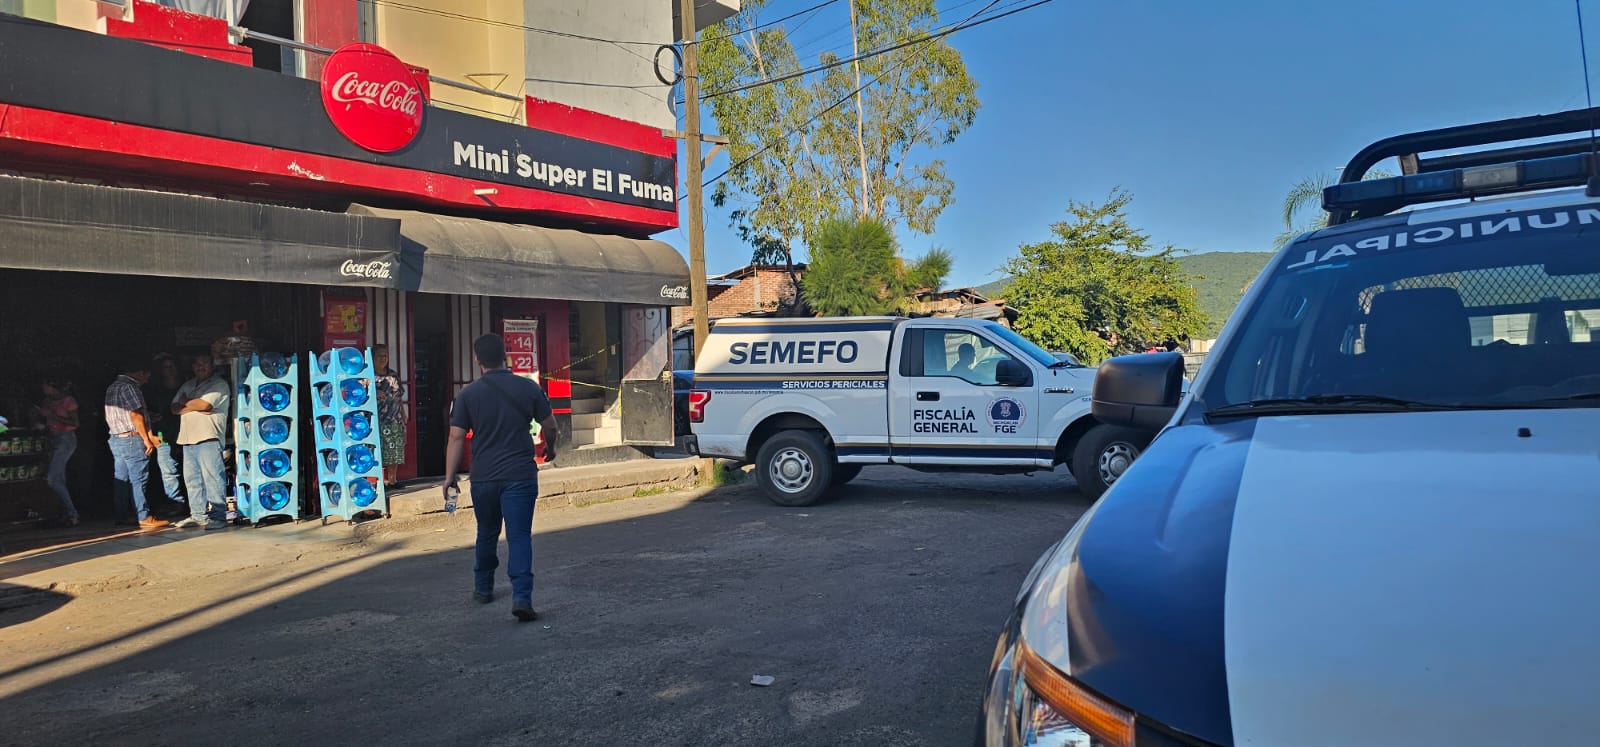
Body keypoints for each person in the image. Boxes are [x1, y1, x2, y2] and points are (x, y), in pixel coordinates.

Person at [442, 333, 558, 622]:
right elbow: (550, 425)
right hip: (520, 474)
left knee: (487, 531)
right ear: (505, 356)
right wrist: (550, 447)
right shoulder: (528, 387)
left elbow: (456, 437)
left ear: (477, 360)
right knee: (519, 536)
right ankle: (522, 597)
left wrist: (449, 477)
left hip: (483, 477)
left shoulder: (467, 395)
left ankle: (483, 587)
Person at [105, 358, 169, 529]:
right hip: (132, 438)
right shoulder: (130, 387)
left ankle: (122, 515)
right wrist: (147, 438)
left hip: (117, 438)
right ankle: (143, 516)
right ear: (140, 373)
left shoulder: (113, 386)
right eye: (147, 376)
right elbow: (135, 414)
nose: (147, 380)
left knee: (122, 478)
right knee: (138, 479)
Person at [172, 354, 231, 530]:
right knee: (192, 480)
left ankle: (218, 517)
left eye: (204, 363)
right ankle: (198, 515)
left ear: (212, 366)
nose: (200, 366)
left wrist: (186, 403)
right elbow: (174, 408)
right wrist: (194, 406)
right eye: (197, 363)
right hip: (188, 438)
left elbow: (205, 405)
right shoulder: (188, 384)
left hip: (208, 437)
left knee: (213, 478)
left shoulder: (218, 384)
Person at [145, 353, 187, 515]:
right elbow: (145, 411)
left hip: (185, 431)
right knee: (168, 471)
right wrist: (152, 417)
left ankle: (193, 503)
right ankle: (176, 503)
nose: (169, 370)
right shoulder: (155, 390)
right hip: (163, 433)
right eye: (165, 367)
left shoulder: (186, 386)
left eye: (171, 366)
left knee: (189, 469)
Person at [36, 376, 80, 526]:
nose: (43, 388)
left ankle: (72, 513)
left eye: (45, 385)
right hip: (53, 438)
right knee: (59, 478)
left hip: (65, 439)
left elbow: (75, 423)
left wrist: (53, 416)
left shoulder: (68, 401)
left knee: (53, 478)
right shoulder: (47, 402)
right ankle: (65, 513)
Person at [373, 344, 407, 488]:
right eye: (379, 355)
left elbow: (399, 396)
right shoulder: (368, 375)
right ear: (373, 357)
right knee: (378, 450)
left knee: (395, 450)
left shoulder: (393, 375)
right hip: (376, 419)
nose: (383, 358)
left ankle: (393, 480)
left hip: (394, 418)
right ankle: (378, 482)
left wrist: (403, 414)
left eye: (385, 356)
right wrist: (373, 392)